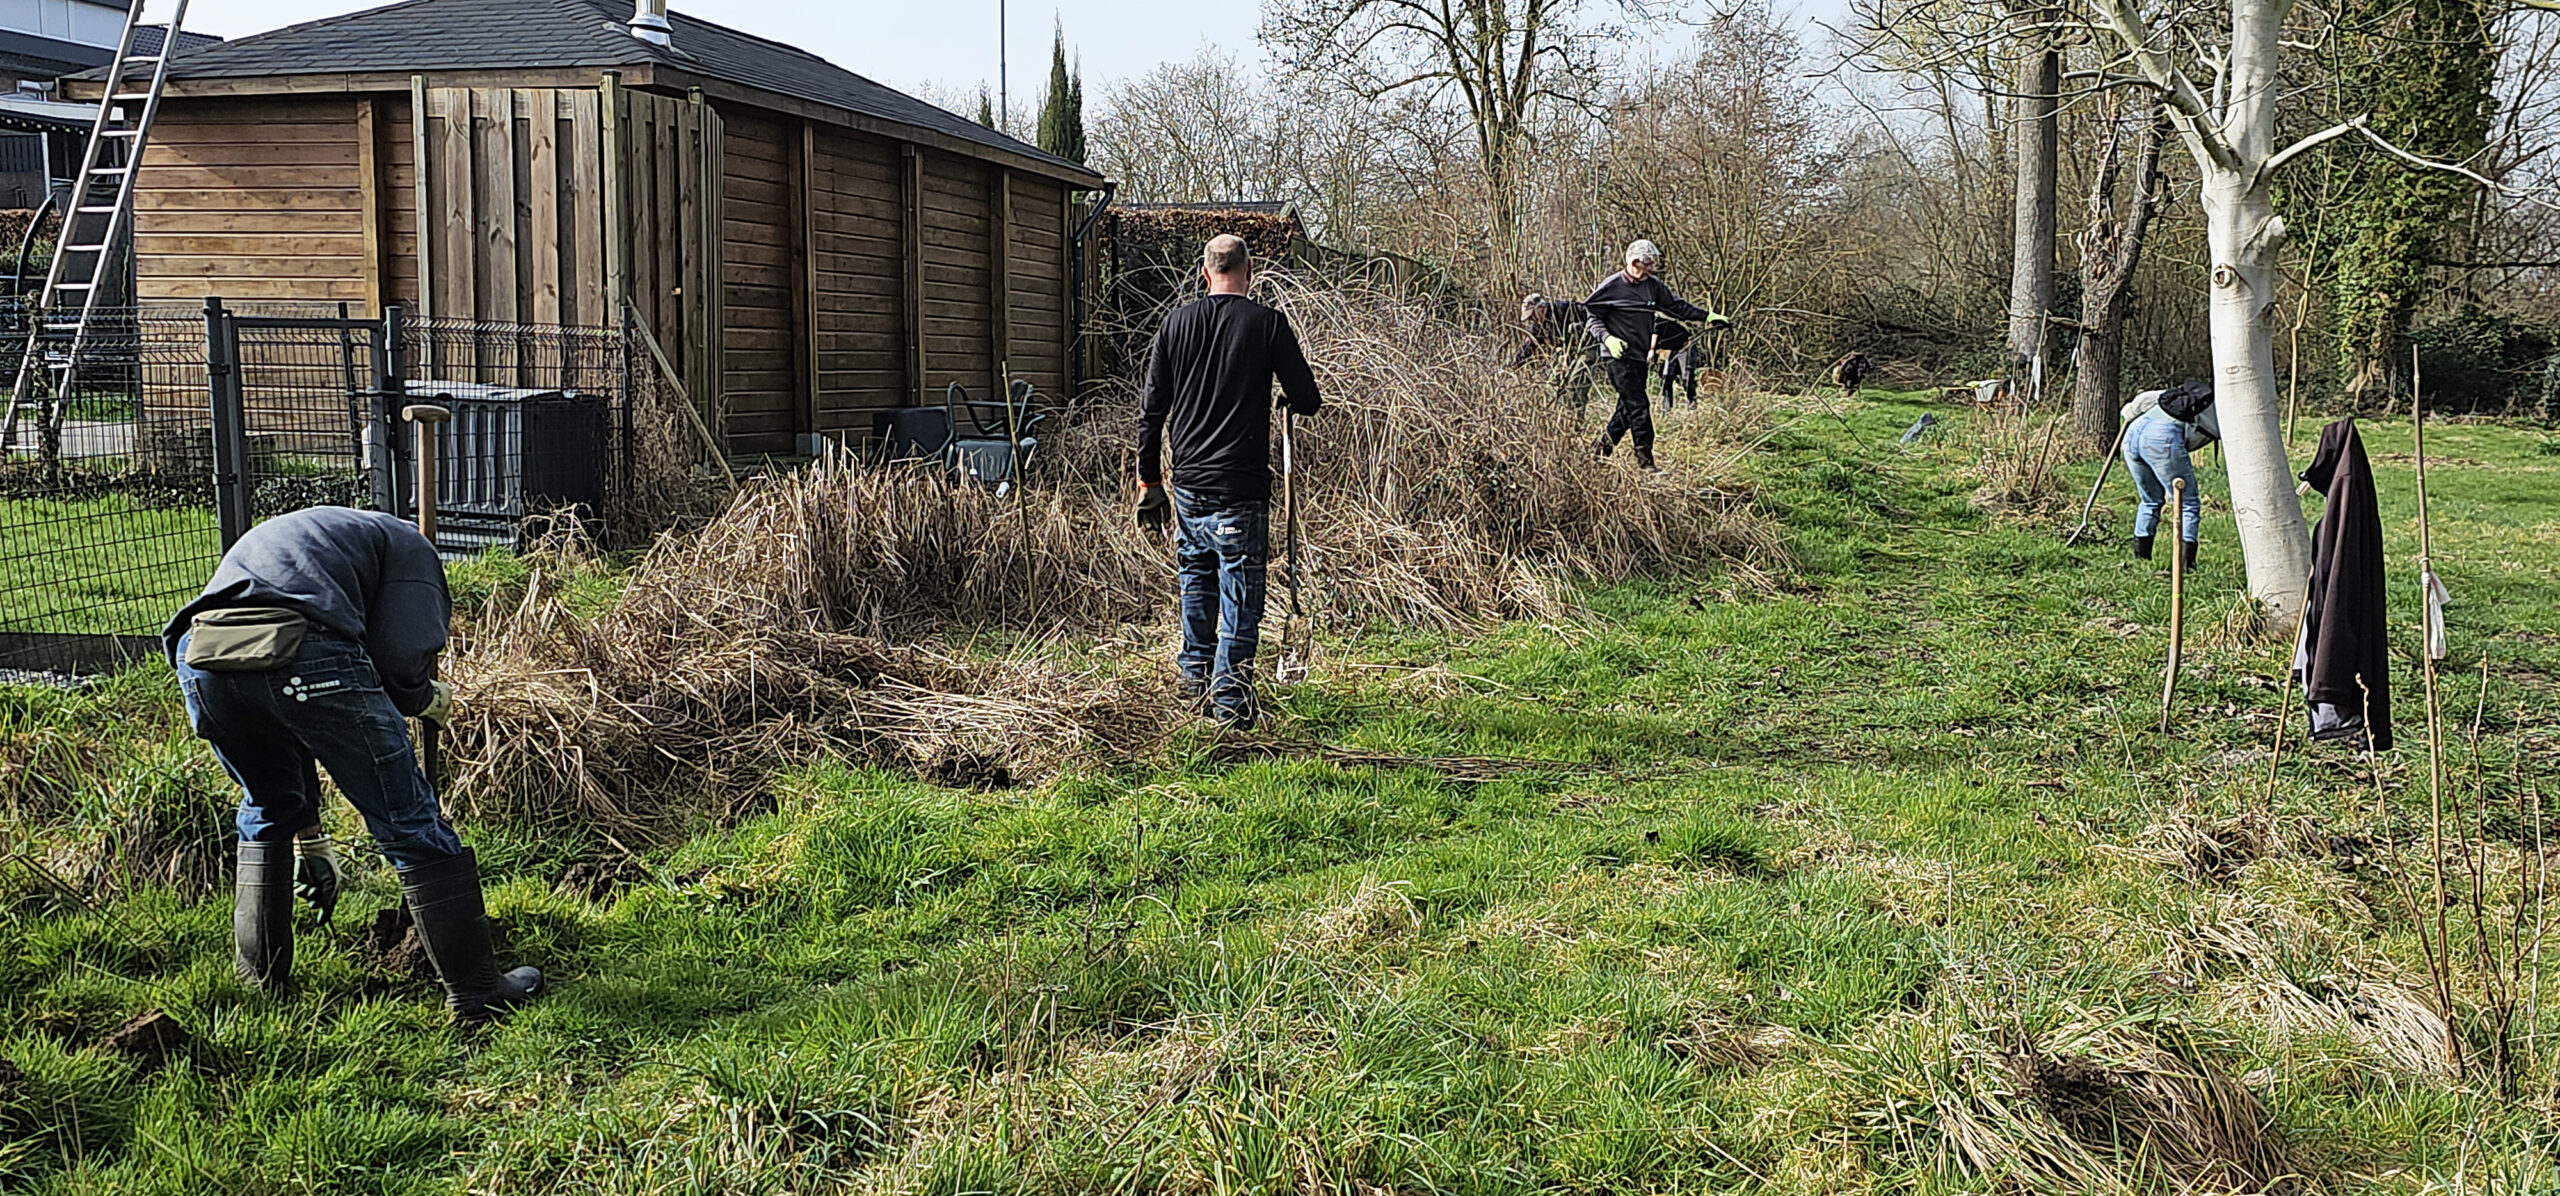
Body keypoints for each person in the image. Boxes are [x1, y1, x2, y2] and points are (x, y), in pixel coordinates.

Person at [164, 505, 542, 1022]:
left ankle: (260, 987)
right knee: (409, 821)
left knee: (267, 806)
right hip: (305, 652)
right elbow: (401, 652)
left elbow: (272, 699)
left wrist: (312, 841)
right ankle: (477, 994)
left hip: (202, 659)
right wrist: (422, 696)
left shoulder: (307, 534)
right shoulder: (412, 547)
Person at [1134, 234, 1322, 729]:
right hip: (1240, 489)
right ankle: (1231, 710)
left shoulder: (1175, 325)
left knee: (1196, 584)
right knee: (1240, 598)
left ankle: (1193, 686)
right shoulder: (1267, 325)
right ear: (1250, 269)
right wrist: (1282, 401)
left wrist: (1148, 480)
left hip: (1189, 486)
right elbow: (1307, 397)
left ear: (1204, 272)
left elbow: (1151, 412)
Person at [1583, 240, 1729, 469]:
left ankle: (1597, 453)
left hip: (1639, 357)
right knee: (1639, 405)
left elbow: (1677, 307)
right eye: (1648, 264)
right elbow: (1591, 317)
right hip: (1616, 357)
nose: (1652, 268)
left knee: (1626, 409)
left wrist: (1708, 317)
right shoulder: (1611, 286)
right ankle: (1646, 462)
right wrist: (1607, 338)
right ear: (1634, 262)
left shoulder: (1653, 286)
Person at [2118, 378, 2220, 568]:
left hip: (2135, 430)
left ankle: (2141, 561)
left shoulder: (2179, 394)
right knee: (2187, 503)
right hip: (2162, 437)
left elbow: (2136, 405)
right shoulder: (2222, 405)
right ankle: (2185, 566)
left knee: (2150, 500)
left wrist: (2129, 412)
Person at [1509, 292, 1603, 419]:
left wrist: (1580, 328)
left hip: (1588, 348)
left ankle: (1577, 422)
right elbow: (1527, 348)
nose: (1533, 320)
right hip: (1567, 354)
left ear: (1541, 308)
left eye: (1533, 316)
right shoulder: (1538, 328)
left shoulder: (1564, 308)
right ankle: (1560, 419)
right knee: (1553, 385)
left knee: (1575, 384)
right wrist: (1512, 366)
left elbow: (1594, 319)